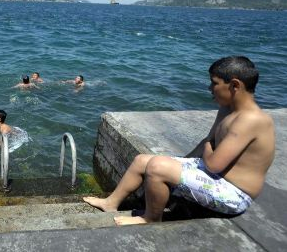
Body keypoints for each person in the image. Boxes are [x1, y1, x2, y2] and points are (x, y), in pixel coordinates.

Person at [83, 56, 275, 226]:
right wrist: (179, 163)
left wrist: (207, 144)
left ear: (234, 85)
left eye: (214, 83)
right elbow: (208, 145)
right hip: (214, 177)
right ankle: (111, 203)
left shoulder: (251, 120)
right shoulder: (227, 109)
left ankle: (150, 219)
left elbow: (214, 162)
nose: (210, 88)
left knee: (158, 167)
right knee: (142, 160)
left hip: (233, 193)